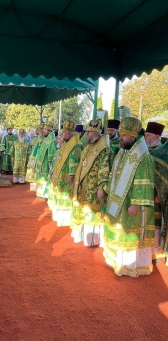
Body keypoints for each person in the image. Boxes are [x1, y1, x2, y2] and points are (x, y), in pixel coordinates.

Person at [103, 117, 155, 277]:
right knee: (118, 230)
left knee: (129, 234)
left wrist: (136, 204)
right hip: (118, 201)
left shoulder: (143, 156)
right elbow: (114, 175)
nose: (120, 138)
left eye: (124, 135)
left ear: (132, 137)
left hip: (131, 204)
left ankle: (131, 266)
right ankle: (117, 261)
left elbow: (144, 182)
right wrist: (107, 190)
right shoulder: (123, 152)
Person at [71, 119, 110, 247]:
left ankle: (92, 239)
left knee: (92, 213)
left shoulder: (103, 148)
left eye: (90, 132)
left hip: (93, 188)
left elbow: (104, 169)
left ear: (97, 134)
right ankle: (82, 235)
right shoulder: (88, 146)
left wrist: (101, 187)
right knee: (82, 209)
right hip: (82, 185)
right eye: (87, 132)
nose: (87, 134)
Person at [47, 120, 83, 227]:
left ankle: (65, 220)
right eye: (63, 132)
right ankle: (58, 217)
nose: (64, 134)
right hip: (58, 175)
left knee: (65, 197)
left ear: (71, 133)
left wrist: (71, 175)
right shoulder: (64, 144)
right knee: (57, 195)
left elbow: (74, 161)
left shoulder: (75, 146)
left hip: (65, 177)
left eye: (66, 133)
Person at [144, 121, 166, 261]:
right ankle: (145, 252)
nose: (145, 138)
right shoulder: (143, 151)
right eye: (145, 135)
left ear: (158, 137)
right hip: (144, 194)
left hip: (157, 197)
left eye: (148, 136)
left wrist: (159, 193)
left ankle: (155, 253)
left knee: (156, 223)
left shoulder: (165, 152)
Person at [34, 122, 58, 199]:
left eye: (45, 129)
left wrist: (50, 169)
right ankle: (40, 193)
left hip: (45, 166)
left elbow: (52, 156)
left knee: (44, 180)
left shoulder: (52, 141)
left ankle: (44, 194)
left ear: (50, 131)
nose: (43, 130)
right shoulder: (46, 139)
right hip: (41, 164)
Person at [25, 125, 44, 191]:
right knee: (32, 170)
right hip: (33, 156)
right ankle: (33, 185)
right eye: (37, 130)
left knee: (37, 170)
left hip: (39, 156)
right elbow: (30, 146)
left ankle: (38, 186)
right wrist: (29, 155)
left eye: (38, 130)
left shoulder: (44, 139)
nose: (37, 132)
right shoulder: (35, 139)